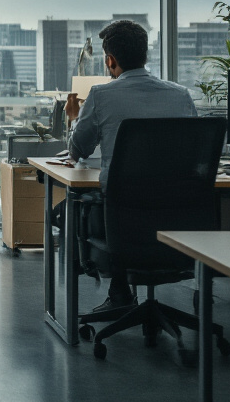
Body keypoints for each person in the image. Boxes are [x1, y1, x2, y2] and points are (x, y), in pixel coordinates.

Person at [66, 19, 196, 312]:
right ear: (144, 55)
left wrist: (74, 118)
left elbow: (77, 151)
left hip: (123, 222)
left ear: (110, 60)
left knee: (64, 211)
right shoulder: (181, 96)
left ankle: (119, 291)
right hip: (179, 220)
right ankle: (122, 291)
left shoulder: (100, 95)